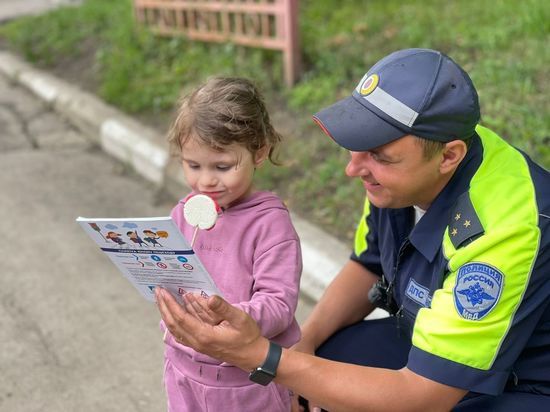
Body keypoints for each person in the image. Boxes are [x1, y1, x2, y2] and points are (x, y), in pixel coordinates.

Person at [155, 49, 550, 411]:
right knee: (317, 368)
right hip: (429, 338)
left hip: (521, 380)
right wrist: (302, 348)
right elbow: (369, 263)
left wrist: (263, 358)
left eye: (378, 155)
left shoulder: (504, 227)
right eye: (358, 145)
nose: (354, 168)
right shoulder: (408, 169)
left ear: (449, 157)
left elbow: (425, 396)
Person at [161, 77, 302, 411]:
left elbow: (279, 305)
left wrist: (230, 316)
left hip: (246, 382)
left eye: (222, 167)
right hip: (183, 368)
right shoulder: (182, 213)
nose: (206, 180)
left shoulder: (269, 224)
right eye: (193, 165)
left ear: (259, 152)